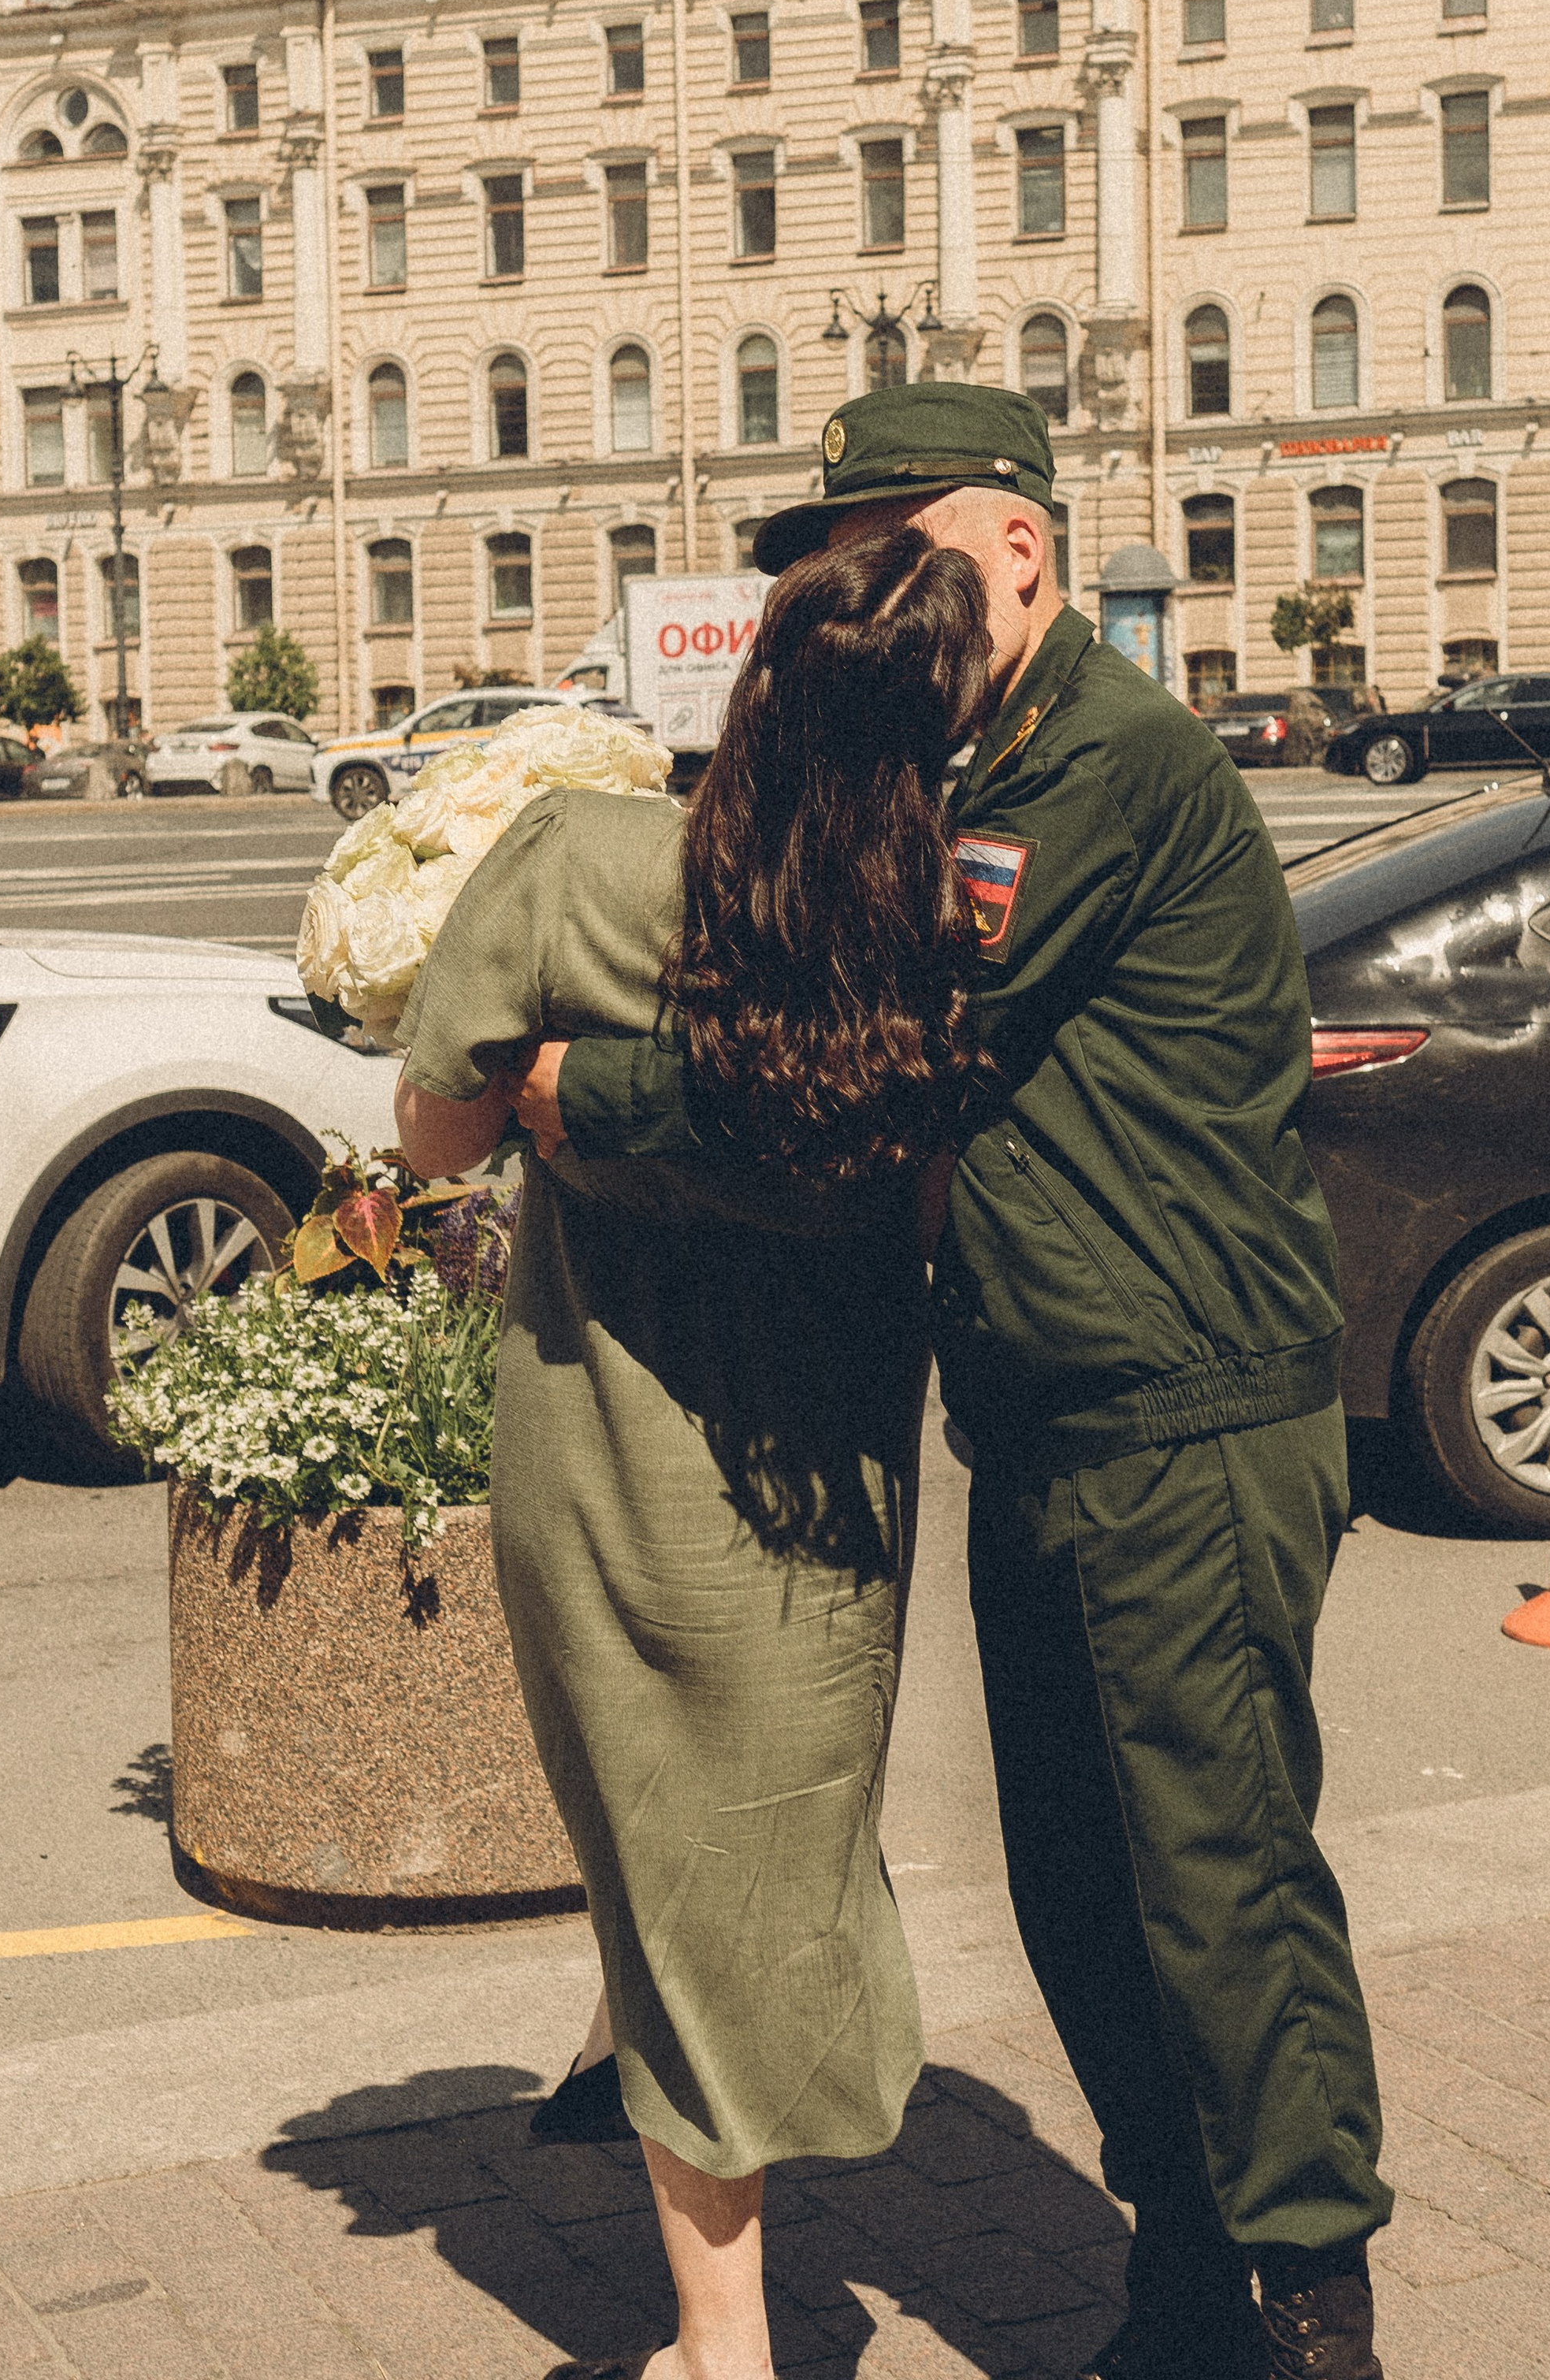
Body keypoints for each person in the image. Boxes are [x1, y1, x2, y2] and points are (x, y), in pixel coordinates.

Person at [522, 388, 1395, 2380]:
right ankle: (1185, 2287)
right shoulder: (960, 752)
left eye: (893, 552)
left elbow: (886, 1049)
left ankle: (1308, 2307)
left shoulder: (1097, 761)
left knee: (1218, 1886)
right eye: (843, 567)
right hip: (1048, 1417)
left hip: (1182, 1415)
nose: (863, 596)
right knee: (1087, 1897)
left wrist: (587, 1094)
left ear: (1015, 547)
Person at [394, 525, 994, 2380]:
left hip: (603, 1456)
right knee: (766, 1844)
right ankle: (703, 2118)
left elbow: (425, 1141)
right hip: (826, 1474)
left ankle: (721, 2350)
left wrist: (564, 1106)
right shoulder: (939, 925)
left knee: (662, 1862)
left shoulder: (578, 860)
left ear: (747, 687)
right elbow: (929, 1189)